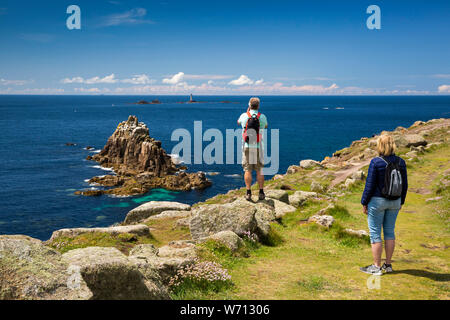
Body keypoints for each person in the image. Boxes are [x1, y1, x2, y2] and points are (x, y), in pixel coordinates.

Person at [360, 134, 408, 275]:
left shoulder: (376, 162)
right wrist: (401, 201)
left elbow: (369, 185)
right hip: (395, 201)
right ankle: (388, 265)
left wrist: (364, 202)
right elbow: (405, 185)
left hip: (377, 201)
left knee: (375, 234)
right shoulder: (401, 162)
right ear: (393, 145)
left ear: (380, 145)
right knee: (389, 232)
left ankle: (376, 267)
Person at [237, 97, 268, 201]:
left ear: (249, 105)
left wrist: (247, 112)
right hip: (259, 146)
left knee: (247, 170)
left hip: (247, 146)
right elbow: (266, 126)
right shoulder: (262, 117)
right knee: (259, 170)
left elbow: (238, 122)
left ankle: (248, 192)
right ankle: (261, 192)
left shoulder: (244, 115)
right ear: (258, 106)